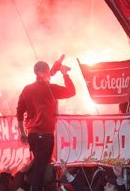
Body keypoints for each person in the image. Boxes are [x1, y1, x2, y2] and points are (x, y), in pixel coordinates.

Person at [16, 59, 76, 191]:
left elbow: (19, 112)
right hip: (45, 135)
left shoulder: (27, 89)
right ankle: (29, 185)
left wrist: (22, 133)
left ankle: (26, 183)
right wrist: (65, 74)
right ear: (45, 72)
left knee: (40, 166)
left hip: (32, 134)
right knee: (40, 170)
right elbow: (71, 92)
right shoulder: (50, 88)